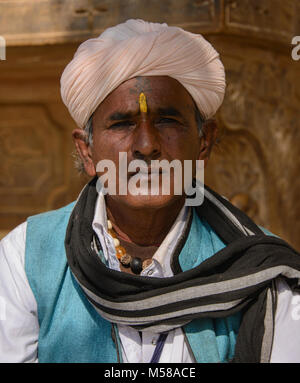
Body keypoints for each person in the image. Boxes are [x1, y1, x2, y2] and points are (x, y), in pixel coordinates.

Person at [1, 19, 300, 364]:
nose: (146, 145)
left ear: (204, 142)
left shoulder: (264, 275)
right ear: (88, 152)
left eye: (167, 121)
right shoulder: (26, 259)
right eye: (123, 123)